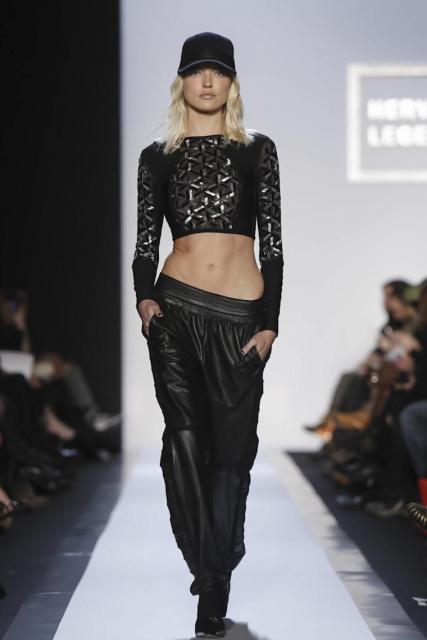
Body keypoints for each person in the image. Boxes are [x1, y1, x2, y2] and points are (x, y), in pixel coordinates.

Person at [132, 32, 284, 637]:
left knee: (232, 455)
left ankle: (216, 563)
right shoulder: (156, 157)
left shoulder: (257, 150)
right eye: (196, 70)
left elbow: (273, 245)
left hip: (241, 318)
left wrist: (271, 322)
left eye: (217, 71)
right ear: (181, 81)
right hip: (175, 312)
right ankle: (210, 579)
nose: (206, 81)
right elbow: (146, 244)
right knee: (185, 443)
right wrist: (145, 300)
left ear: (231, 83)